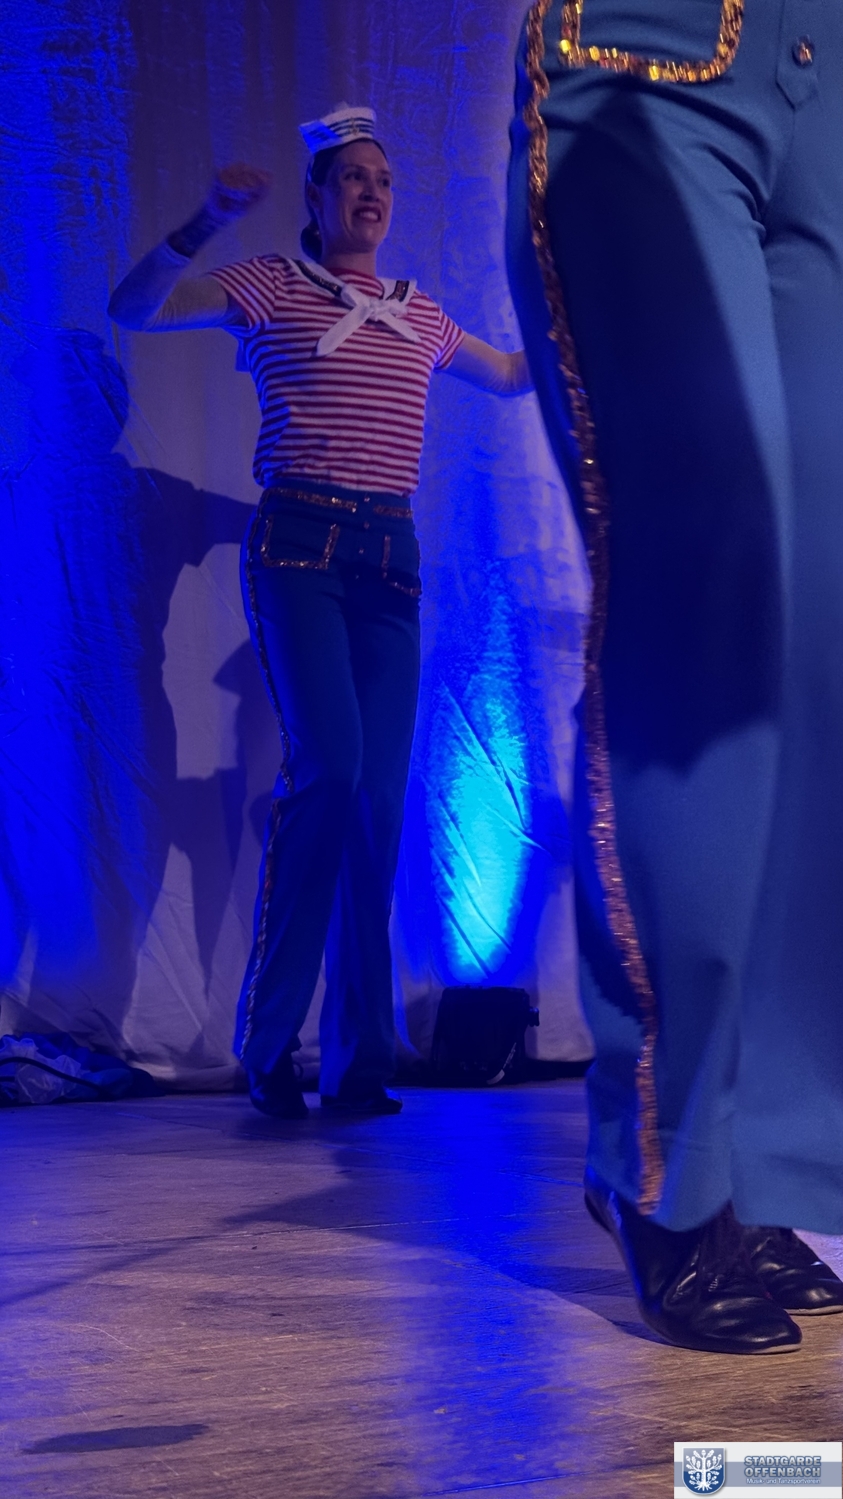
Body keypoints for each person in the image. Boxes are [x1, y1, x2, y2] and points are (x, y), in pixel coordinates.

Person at [506, 0, 843, 1353]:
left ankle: (763, 1159)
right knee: (706, 582)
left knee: (817, 636)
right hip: (658, 51)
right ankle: (668, 1159)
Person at [109, 104, 532, 1119]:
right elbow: (136, 309)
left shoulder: (418, 313)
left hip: (390, 561)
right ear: (316, 195)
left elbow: (516, 378)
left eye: (383, 179)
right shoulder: (273, 286)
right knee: (329, 772)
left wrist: (586, 297)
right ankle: (268, 1046)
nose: (371, 192)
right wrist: (206, 220)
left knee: (378, 804)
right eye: (353, 177)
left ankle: (357, 1061)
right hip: (300, 550)